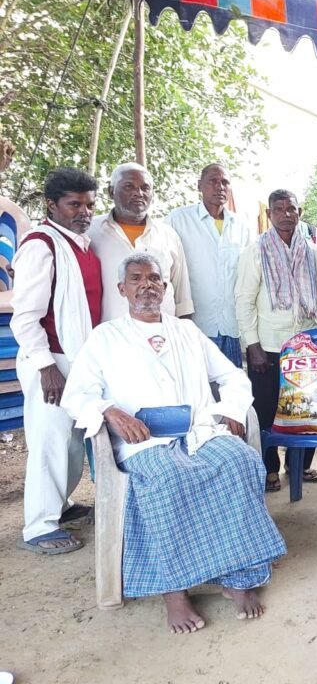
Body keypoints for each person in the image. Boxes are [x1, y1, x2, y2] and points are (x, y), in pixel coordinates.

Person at [61, 252, 286, 634]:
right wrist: (110, 412)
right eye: (136, 278)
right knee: (165, 478)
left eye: (154, 278)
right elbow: (76, 395)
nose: (146, 284)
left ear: (165, 288)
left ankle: (239, 577)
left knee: (241, 463)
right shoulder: (105, 337)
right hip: (144, 441)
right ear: (122, 289)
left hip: (198, 430)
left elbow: (233, 377)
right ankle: (174, 591)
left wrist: (231, 408)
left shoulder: (186, 331)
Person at [11, 168, 102, 555]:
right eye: (74, 204)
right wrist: (46, 366)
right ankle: (38, 527)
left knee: (73, 443)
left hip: (78, 361)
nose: (83, 212)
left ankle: (59, 507)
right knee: (49, 441)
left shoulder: (80, 243)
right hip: (50, 361)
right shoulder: (40, 244)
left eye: (89, 204)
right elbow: (25, 315)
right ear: (52, 205)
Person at [235, 190, 317, 492]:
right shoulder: (256, 251)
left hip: (306, 348)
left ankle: (300, 466)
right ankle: (269, 469)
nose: (286, 214)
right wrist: (253, 346)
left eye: (291, 209)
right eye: (279, 209)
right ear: (270, 213)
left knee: (305, 410)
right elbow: (243, 301)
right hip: (269, 348)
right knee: (266, 411)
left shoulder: (312, 252)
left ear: (299, 212)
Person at [166, 164, 251, 366]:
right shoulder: (178, 220)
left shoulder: (241, 226)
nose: (219, 187)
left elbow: (247, 276)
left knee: (231, 389)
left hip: (232, 327)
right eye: (213, 181)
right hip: (195, 324)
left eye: (225, 182)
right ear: (199, 186)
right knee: (198, 390)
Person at [88, 162, 193, 322]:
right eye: (129, 187)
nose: (138, 193)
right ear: (111, 191)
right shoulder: (91, 232)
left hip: (161, 337)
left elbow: (182, 298)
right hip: (111, 338)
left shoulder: (167, 235)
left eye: (145, 188)